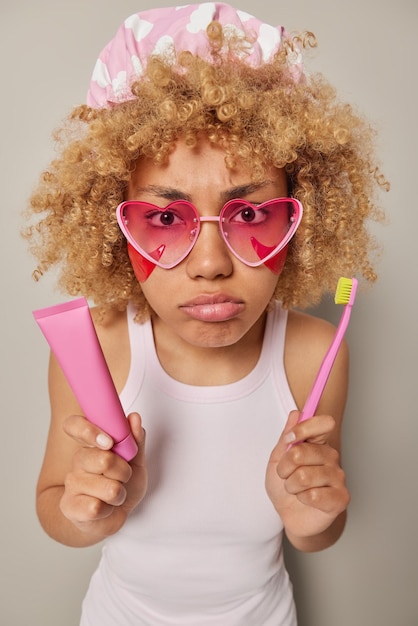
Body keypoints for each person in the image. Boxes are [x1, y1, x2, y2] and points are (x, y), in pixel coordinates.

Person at [24, 3, 388, 625]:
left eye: (251, 215)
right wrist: (95, 512)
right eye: (165, 219)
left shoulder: (314, 352)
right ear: (116, 231)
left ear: (300, 222)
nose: (212, 265)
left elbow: (318, 525)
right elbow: (55, 507)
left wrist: (311, 519)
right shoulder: (98, 348)